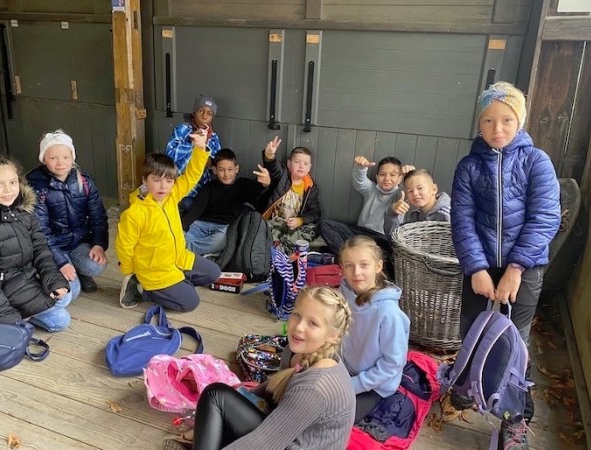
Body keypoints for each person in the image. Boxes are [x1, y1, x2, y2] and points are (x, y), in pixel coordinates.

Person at [450, 81, 561, 450]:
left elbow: (545, 218)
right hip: (480, 266)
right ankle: (467, 385)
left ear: (520, 121)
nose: (497, 128)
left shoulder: (537, 162)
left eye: (506, 120)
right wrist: (476, 268)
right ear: (479, 124)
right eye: (488, 120)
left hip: (524, 268)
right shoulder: (468, 166)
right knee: (473, 328)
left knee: (516, 341)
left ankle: (515, 419)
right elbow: (462, 220)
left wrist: (515, 268)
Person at [165, 286, 355, 450]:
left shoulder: (314, 389)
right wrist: (231, 407)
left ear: (333, 336)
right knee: (218, 397)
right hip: (286, 431)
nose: (299, 327)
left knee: (216, 398)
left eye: (313, 323)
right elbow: (272, 388)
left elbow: (264, 443)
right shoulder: (296, 352)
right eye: (297, 315)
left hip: (287, 443)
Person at [0, 155, 77, 331]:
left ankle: (30, 311)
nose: (8, 190)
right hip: (5, 291)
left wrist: (54, 281)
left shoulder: (24, 214)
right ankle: (13, 317)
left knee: (68, 290)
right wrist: (7, 317)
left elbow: (41, 251)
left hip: (27, 278)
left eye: (12, 182)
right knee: (60, 321)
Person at [116, 130, 221, 310]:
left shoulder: (171, 196)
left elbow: (191, 176)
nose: (163, 187)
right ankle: (141, 289)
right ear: (145, 180)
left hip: (178, 258)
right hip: (155, 272)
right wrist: (130, 271)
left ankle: (177, 284)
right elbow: (124, 247)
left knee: (213, 273)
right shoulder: (135, 213)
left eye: (169, 181)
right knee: (191, 302)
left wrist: (200, 149)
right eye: (156, 180)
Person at [26, 129, 109, 293]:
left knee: (95, 265)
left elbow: (98, 216)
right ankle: (52, 270)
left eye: (65, 157)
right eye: (53, 158)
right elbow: (40, 231)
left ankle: (79, 270)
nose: (60, 163)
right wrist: (61, 262)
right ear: (43, 159)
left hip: (77, 242)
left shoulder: (84, 182)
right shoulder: (37, 187)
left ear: (72, 157)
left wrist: (98, 244)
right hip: (51, 247)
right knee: (72, 290)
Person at [338, 235, 410, 422]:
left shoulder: (388, 313)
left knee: (334, 417)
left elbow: (392, 363)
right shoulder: (342, 294)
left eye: (364, 265)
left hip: (373, 385)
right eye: (349, 265)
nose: (356, 272)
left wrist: (354, 384)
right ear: (342, 268)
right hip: (342, 368)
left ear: (378, 266)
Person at [182, 148, 271, 256]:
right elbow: (195, 210)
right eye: (221, 170)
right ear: (214, 170)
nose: (226, 174)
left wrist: (264, 185)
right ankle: (194, 250)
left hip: (224, 228)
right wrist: (182, 228)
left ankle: (184, 251)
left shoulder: (243, 185)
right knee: (183, 235)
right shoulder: (209, 187)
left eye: (230, 169)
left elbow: (256, 193)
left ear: (236, 169)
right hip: (202, 225)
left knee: (223, 239)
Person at [319, 156, 412, 256]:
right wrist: (360, 167)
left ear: (400, 178)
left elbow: (408, 190)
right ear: (377, 177)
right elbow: (360, 182)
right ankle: (345, 256)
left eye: (392, 175)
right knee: (324, 225)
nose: (387, 178)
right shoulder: (371, 189)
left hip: (381, 239)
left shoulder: (400, 194)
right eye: (382, 174)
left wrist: (410, 175)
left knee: (387, 252)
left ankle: (345, 256)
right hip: (360, 234)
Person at [260, 136, 322, 255]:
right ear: (289, 164)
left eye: (305, 163)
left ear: (309, 167)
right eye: (297, 162)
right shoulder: (282, 176)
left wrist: (300, 220)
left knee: (313, 230)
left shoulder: (310, 188)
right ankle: (282, 247)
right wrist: (269, 156)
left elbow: (315, 212)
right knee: (265, 229)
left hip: (292, 226)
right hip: (273, 222)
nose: (301, 166)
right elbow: (274, 168)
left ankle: (283, 245)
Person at [166, 95, 221, 212]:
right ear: (193, 113)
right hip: (182, 188)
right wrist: (193, 144)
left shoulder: (214, 138)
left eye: (209, 114)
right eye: (200, 111)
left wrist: (210, 162)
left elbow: (218, 162)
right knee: (187, 204)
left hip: (203, 189)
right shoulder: (182, 130)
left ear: (212, 118)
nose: (204, 116)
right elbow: (170, 156)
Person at [383, 168, 451, 237]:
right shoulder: (415, 217)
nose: (415, 193)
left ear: (434, 189)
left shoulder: (448, 214)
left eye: (420, 188)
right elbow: (396, 238)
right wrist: (391, 212)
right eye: (410, 191)